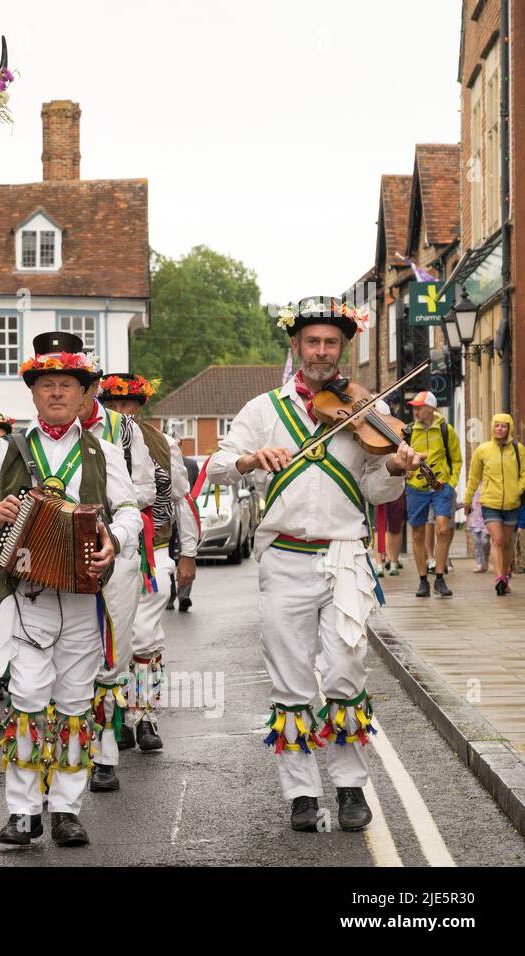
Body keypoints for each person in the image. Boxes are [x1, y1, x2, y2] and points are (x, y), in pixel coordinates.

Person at [208, 299, 421, 833]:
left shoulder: (364, 409)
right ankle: (302, 793)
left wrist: (395, 467)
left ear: (341, 349)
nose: (321, 351)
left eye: (331, 343)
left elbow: (374, 487)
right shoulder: (263, 411)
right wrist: (250, 459)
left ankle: (350, 787)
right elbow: (216, 467)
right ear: (295, 347)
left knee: (347, 669)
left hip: (345, 556)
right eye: (312, 342)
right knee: (291, 677)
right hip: (283, 558)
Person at [0, 331, 142, 848]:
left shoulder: (103, 452)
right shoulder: (8, 451)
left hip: (85, 598)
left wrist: (117, 540)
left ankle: (65, 808)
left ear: (85, 395)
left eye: (67, 385)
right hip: (30, 597)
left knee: (74, 702)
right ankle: (22, 812)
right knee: (27, 697)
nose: (56, 393)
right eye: (46, 385)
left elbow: (128, 510)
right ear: (33, 394)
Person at [100, 373, 200, 753]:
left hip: (153, 550)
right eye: (114, 404)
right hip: (103, 553)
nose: (122, 411)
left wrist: (187, 553)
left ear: (140, 407)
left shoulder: (164, 444)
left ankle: (145, 717)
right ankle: (116, 716)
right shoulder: (92, 442)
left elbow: (181, 500)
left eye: (129, 404)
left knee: (144, 634)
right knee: (112, 638)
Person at [74, 356, 153, 790]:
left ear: (93, 388)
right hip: (61, 555)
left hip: (116, 552)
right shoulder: (37, 437)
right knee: (65, 656)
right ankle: (70, 751)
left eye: (81, 386)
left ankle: (105, 757)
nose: (70, 395)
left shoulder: (124, 430)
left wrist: (103, 513)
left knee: (111, 657)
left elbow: (143, 489)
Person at [403, 391, 462, 597]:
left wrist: (450, 483)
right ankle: (422, 581)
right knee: (418, 533)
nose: (416, 410)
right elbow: (400, 457)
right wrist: (406, 471)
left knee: (443, 529)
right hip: (416, 488)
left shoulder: (446, 429)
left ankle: (439, 577)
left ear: (431, 408)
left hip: (440, 488)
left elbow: (456, 459)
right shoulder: (409, 431)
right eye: (415, 407)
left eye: (420, 407)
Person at [463, 413, 524, 595]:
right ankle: (500, 578)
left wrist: (518, 489)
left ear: (509, 428)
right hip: (490, 502)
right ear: (492, 427)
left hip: (512, 503)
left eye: (503, 426)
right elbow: (473, 478)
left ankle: (505, 574)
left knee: (507, 543)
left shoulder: (518, 449)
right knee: (497, 540)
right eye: (496, 425)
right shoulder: (483, 450)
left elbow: (524, 474)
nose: (500, 429)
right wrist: (467, 500)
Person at [167, 455, 201, 612]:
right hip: (167, 520)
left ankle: (184, 596)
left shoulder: (191, 464)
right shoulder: (163, 457)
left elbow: (194, 490)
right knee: (168, 558)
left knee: (187, 553)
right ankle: (170, 595)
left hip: (185, 516)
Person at [468, 489, 490, 573]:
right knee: (476, 542)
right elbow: (467, 500)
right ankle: (479, 563)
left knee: (485, 541)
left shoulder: (488, 482)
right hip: (474, 518)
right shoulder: (472, 486)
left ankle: (486, 560)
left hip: (486, 518)